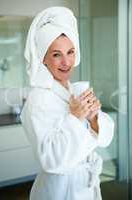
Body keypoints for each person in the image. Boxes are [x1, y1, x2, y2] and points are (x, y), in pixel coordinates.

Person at [20, 6, 114, 200]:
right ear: (43, 58)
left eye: (70, 52)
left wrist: (94, 118)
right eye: (56, 54)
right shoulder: (38, 99)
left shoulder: (72, 91)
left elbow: (105, 139)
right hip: (60, 190)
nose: (66, 62)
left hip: (85, 185)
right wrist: (75, 117)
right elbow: (52, 161)